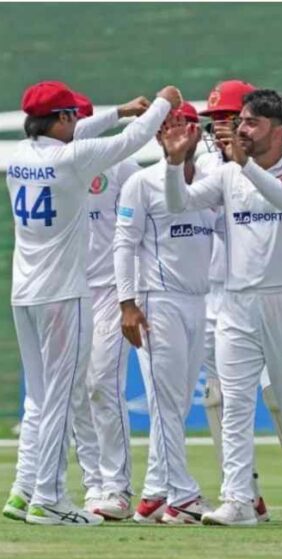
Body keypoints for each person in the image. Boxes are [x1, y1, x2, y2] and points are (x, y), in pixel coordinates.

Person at [2, 80, 180, 526]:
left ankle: (27, 492)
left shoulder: (15, 156)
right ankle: (50, 498)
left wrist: (118, 107)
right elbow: (130, 141)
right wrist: (163, 103)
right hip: (65, 294)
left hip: (23, 294)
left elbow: (87, 133)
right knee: (63, 398)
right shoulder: (74, 160)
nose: (78, 125)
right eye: (73, 118)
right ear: (62, 120)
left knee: (41, 399)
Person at [161, 89, 282, 526]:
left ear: (277, 131)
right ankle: (238, 499)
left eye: (251, 122)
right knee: (235, 402)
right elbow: (178, 202)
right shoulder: (226, 175)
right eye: (240, 121)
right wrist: (172, 165)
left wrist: (246, 166)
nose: (240, 129)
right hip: (237, 304)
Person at [113, 102, 214, 524]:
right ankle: (184, 496)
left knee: (174, 402)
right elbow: (123, 243)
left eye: (185, 126)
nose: (178, 134)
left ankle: (155, 492)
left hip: (198, 300)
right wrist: (128, 303)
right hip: (158, 302)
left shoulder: (212, 181)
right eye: (169, 127)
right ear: (157, 136)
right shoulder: (140, 183)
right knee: (167, 404)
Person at [69, 91, 145, 521]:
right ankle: (93, 484)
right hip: (67, 292)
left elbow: (137, 231)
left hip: (111, 294)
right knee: (77, 390)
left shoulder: (122, 168)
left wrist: (130, 298)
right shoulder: (50, 168)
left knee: (102, 382)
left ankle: (116, 487)